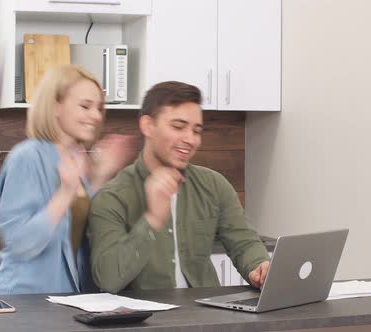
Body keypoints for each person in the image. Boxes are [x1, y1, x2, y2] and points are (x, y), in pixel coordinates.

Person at [90, 81, 270, 293]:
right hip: (146, 321)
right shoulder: (112, 197)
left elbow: (244, 242)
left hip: (206, 317)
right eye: (178, 127)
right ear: (147, 126)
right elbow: (108, 279)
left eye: (196, 130)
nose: (190, 139)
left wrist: (259, 267)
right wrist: (152, 219)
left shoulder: (214, 185)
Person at [0, 64, 135, 295]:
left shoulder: (74, 158)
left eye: (99, 108)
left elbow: (75, 230)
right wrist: (66, 192)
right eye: (85, 106)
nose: (96, 116)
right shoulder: (27, 156)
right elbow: (20, 241)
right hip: (26, 302)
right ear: (56, 106)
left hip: (67, 299)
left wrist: (99, 176)